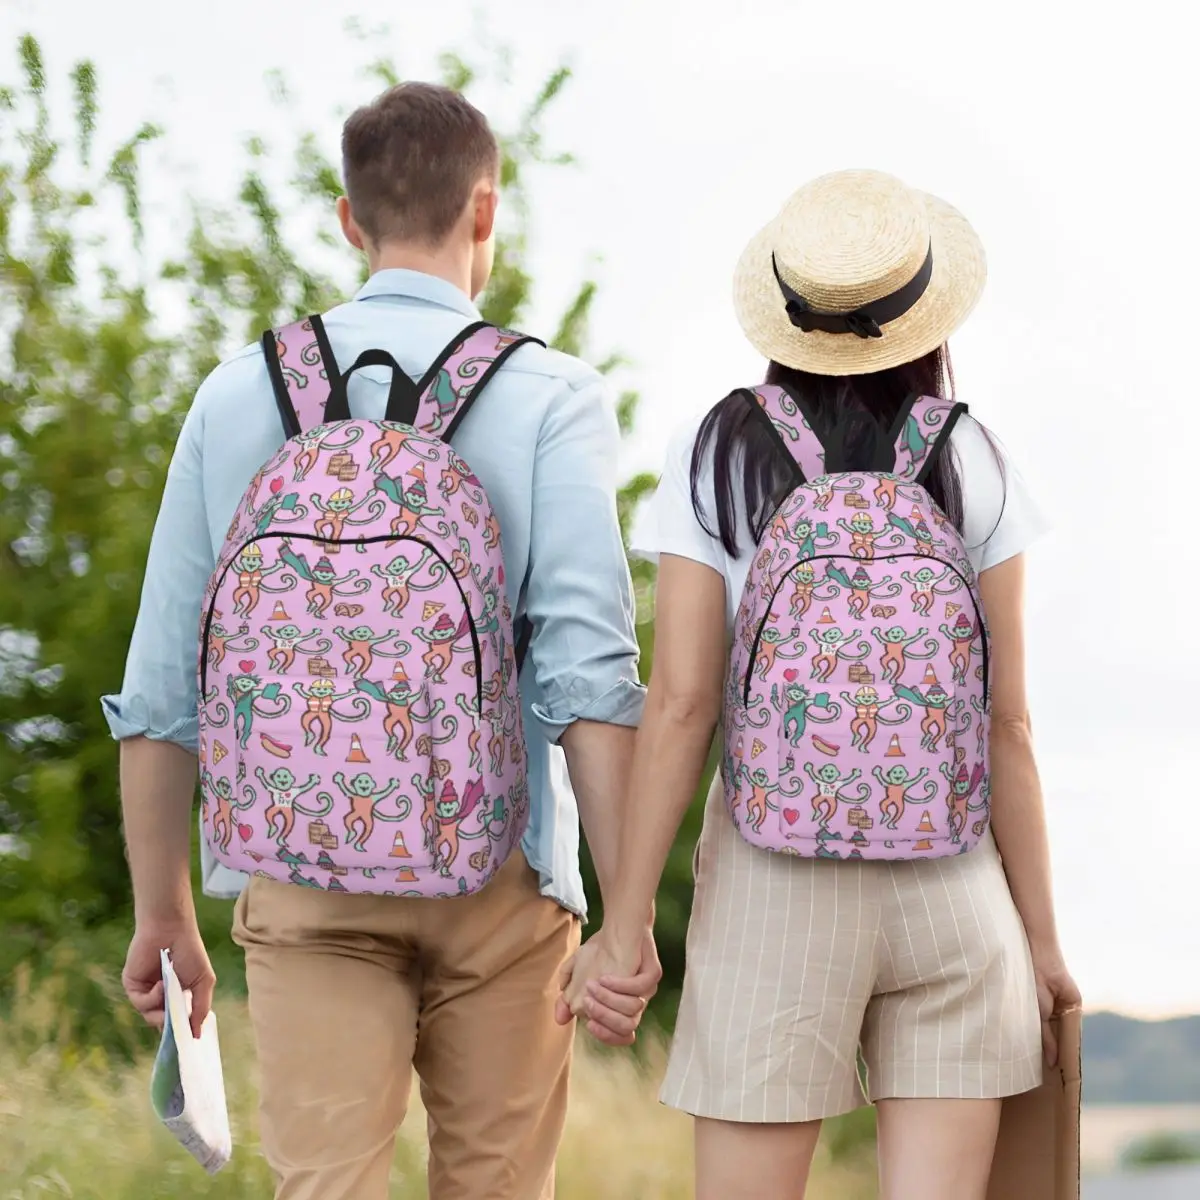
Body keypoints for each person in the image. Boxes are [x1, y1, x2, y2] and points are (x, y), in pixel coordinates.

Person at [104, 81, 660, 1200]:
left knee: (325, 1186)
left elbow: (164, 684)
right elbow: (589, 678)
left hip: (302, 874)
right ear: (486, 212)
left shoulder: (235, 395)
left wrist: (163, 911)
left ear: (350, 220)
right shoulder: (550, 394)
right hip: (503, 872)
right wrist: (627, 914)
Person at [560, 169, 1081, 1200]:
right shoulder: (973, 455)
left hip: (772, 883)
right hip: (955, 887)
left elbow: (681, 705)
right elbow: (1008, 723)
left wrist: (624, 927)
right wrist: (1043, 943)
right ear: (924, 315)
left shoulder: (717, 451)